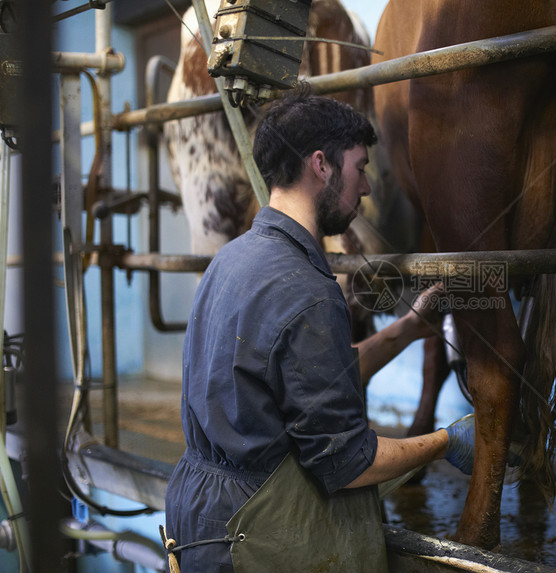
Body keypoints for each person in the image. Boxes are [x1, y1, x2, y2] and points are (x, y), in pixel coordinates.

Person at [163, 92, 476, 573]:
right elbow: (347, 461)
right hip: (253, 531)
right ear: (321, 166)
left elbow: (304, 380)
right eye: (360, 168)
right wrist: (445, 443)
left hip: (197, 512)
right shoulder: (308, 290)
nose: (367, 188)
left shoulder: (232, 260)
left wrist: (409, 329)